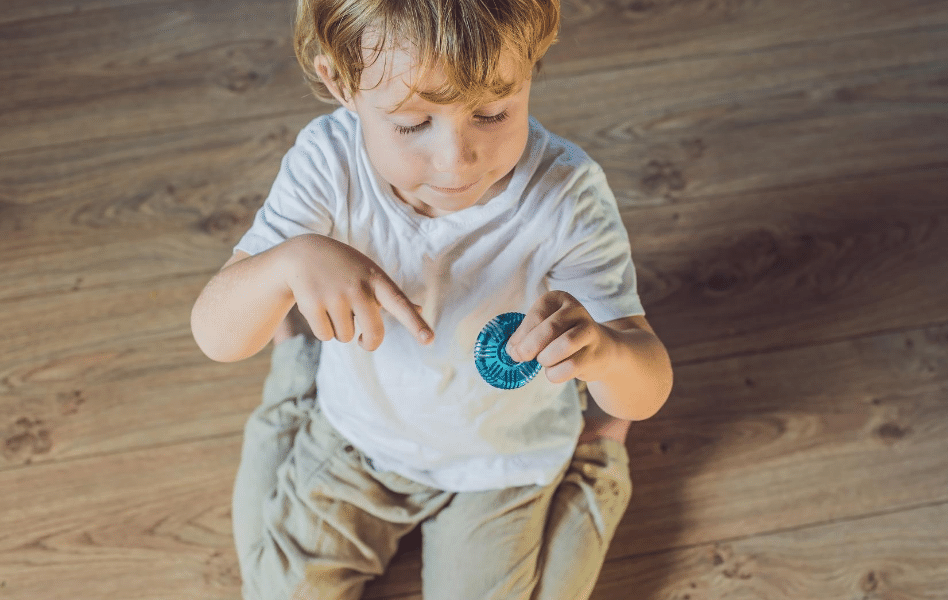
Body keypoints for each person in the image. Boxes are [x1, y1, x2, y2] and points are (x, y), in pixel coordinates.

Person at [190, 0, 673, 597]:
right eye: (413, 124)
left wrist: (608, 358)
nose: (456, 160)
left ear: (532, 64)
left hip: (504, 463)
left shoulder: (566, 195)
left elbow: (649, 383)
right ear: (341, 83)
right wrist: (288, 261)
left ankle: (599, 451)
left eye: (494, 112)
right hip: (360, 438)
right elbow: (216, 335)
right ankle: (297, 372)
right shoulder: (328, 164)